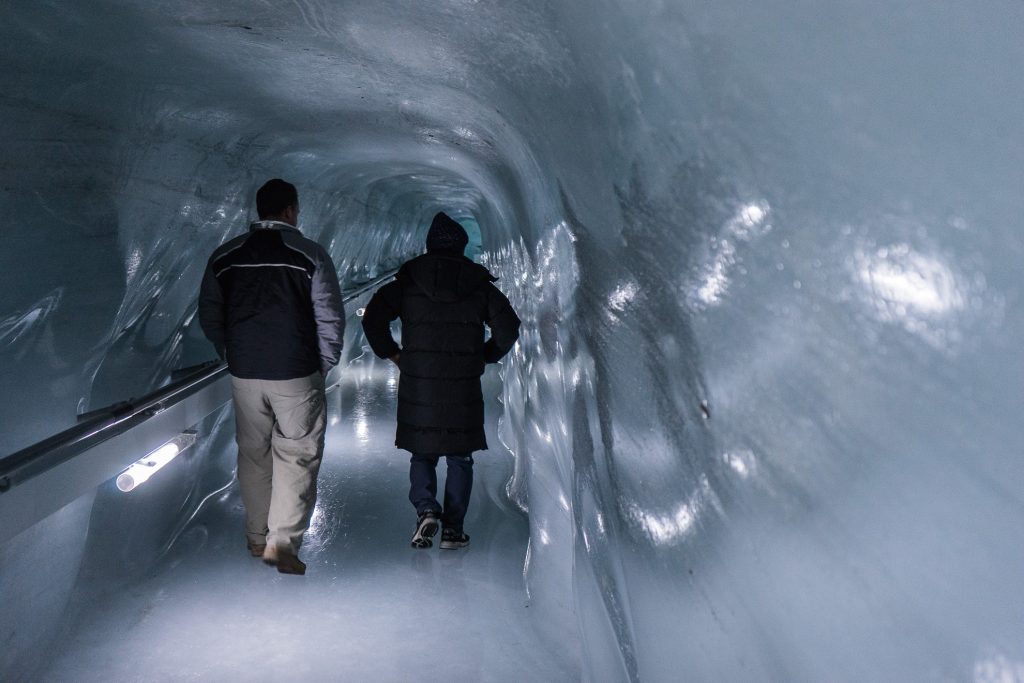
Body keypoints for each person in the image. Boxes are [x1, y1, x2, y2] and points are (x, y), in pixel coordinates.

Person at [198, 179, 343, 575]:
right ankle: (282, 544)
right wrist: (323, 364)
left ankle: (256, 537)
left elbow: (210, 314)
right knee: (297, 456)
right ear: (291, 211)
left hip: (245, 373)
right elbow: (328, 316)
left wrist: (230, 354)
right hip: (296, 372)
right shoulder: (309, 255)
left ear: (259, 211)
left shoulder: (224, 256)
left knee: (253, 454)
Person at [361, 211, 520, 549]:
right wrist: (485, 354)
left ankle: (426, 509)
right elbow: (509, 329)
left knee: (423, 453)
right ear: (462, 247)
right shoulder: (479, 286)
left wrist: (393, 353)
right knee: (460, 457)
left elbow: (373, 317)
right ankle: (452, 530)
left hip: (419, 382)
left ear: (428, 245)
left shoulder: (407, 282)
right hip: (462, 384)